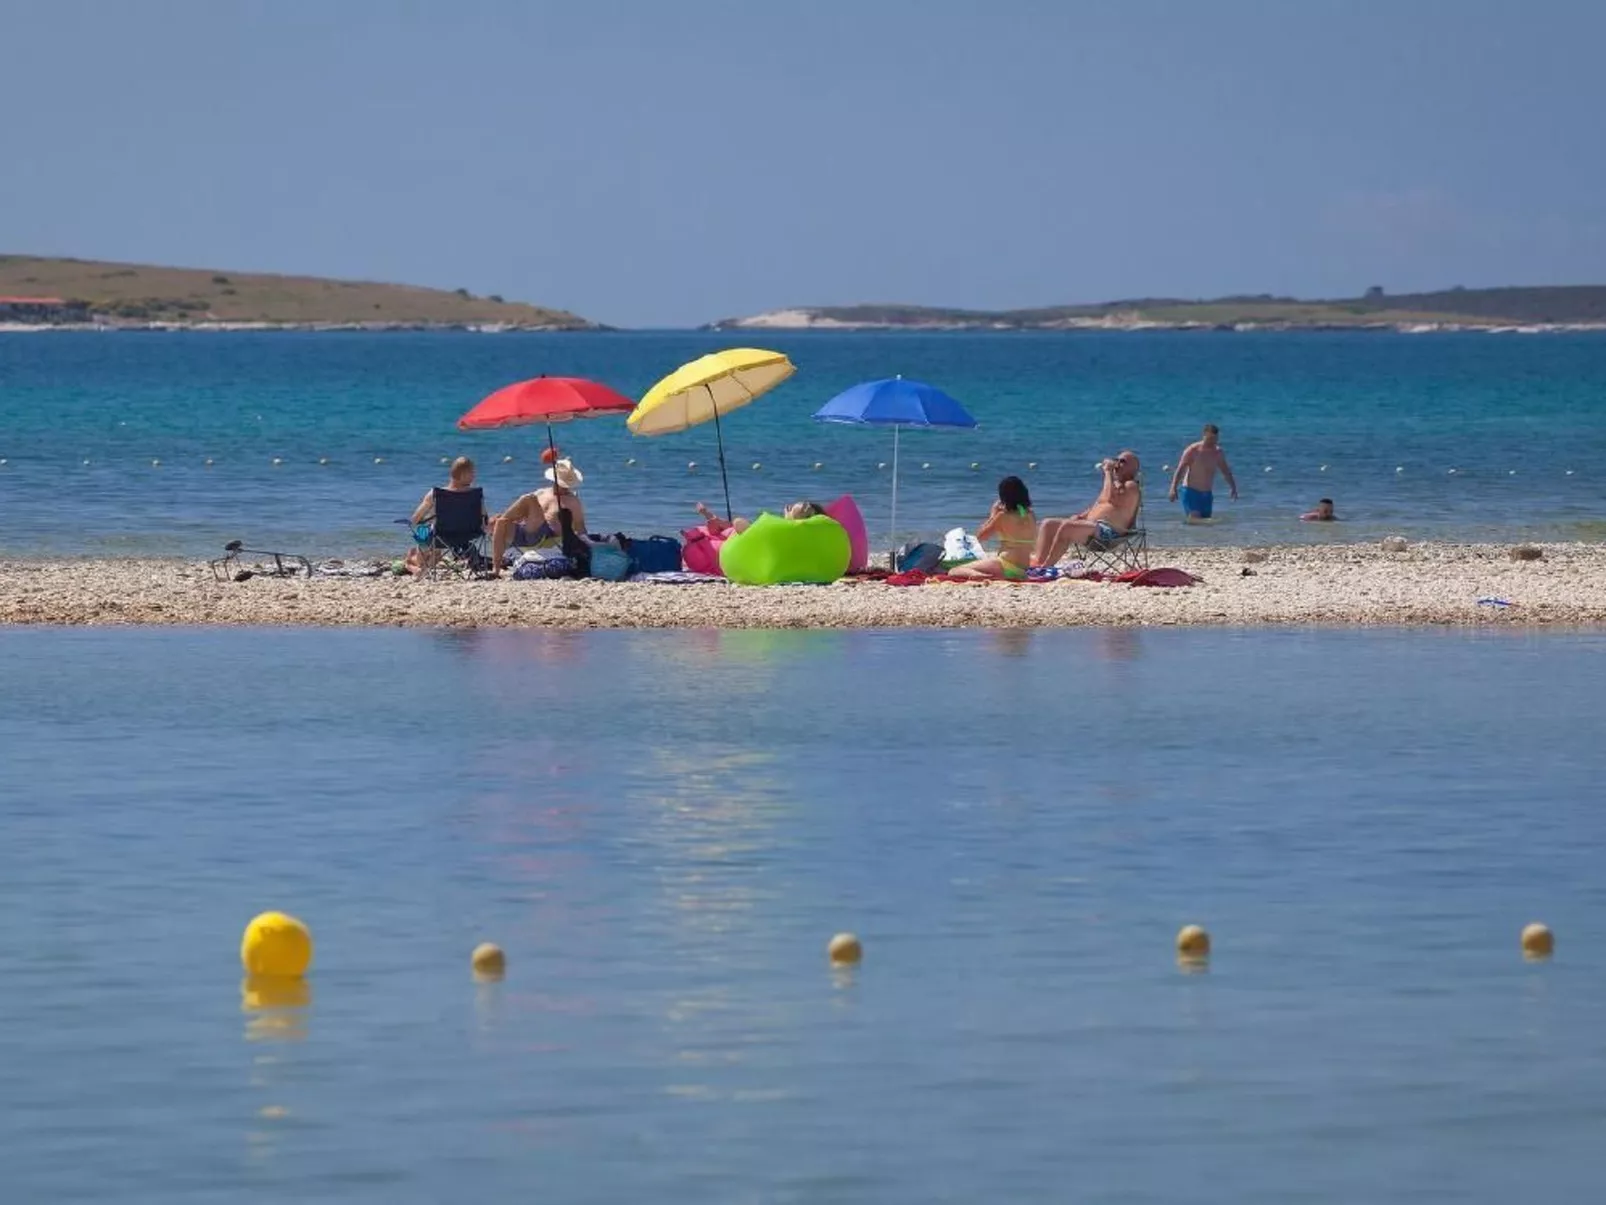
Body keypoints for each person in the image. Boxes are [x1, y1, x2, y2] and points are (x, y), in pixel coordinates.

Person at [1032, 451, 1142, 568]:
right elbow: (1098, 505)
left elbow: (1109, 499)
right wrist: (1080, 516)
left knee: (1067, 528)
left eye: (1123, 461)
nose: (1117, 463)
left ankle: (1046, 567)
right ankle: (1038, 563)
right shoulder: (1113, 485)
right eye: (1117, 459)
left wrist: (1107, 472)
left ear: (1133, 469)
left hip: (1110, 534)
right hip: (1093, 527)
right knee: (1047, 524)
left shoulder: (1131, 486)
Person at [489, 456, 587, 576]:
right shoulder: (542, 492)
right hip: (524, 531)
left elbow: (580, 527)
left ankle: (503, 517)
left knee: (529, 498)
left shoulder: (572, 501)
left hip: (545, 537)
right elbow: (524, 512)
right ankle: (495, 570)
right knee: (501, 522)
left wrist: (586, 548)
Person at [405, 456, 486, 574]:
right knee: (434, 546)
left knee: (422, 530)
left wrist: (426, 521)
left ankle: (413, 564)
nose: (474, 476)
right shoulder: (476, 495)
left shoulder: (436, 494)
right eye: (472, 473)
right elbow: (484, 518)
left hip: (441, 536)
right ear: (464, 475)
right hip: (469, 536)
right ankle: (423, 564)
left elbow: (415, 519)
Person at [949, 476, 1036, 580]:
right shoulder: (1030, 515)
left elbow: (980, 537)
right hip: (1023, 567)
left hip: (1006, 564)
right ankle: (992, 575)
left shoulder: (1002, 516)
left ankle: (978, 575)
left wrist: (993, 514)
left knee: (954, 571)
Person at [1168, 423, 1238, 521]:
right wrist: (1173, 488)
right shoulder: (1193, 450)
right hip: (1191, 492)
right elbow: (1180, 469)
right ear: (1204, 435)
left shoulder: (1218, 452)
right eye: (1210, 439)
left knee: (1206, 525)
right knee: (1195, 520)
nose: (1212, 442)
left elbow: (1225, 471)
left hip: (1207, 494)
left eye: (1215, 439)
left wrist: (1233, 487)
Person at [694, 499, 824, 536]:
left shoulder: (786, 528)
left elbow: (737, 524)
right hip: (740, 532)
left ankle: (708, 515)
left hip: (745, 535)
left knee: (736, 523)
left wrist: (786, 519)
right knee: (731, 524)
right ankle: (709, 516)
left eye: (790, 510)